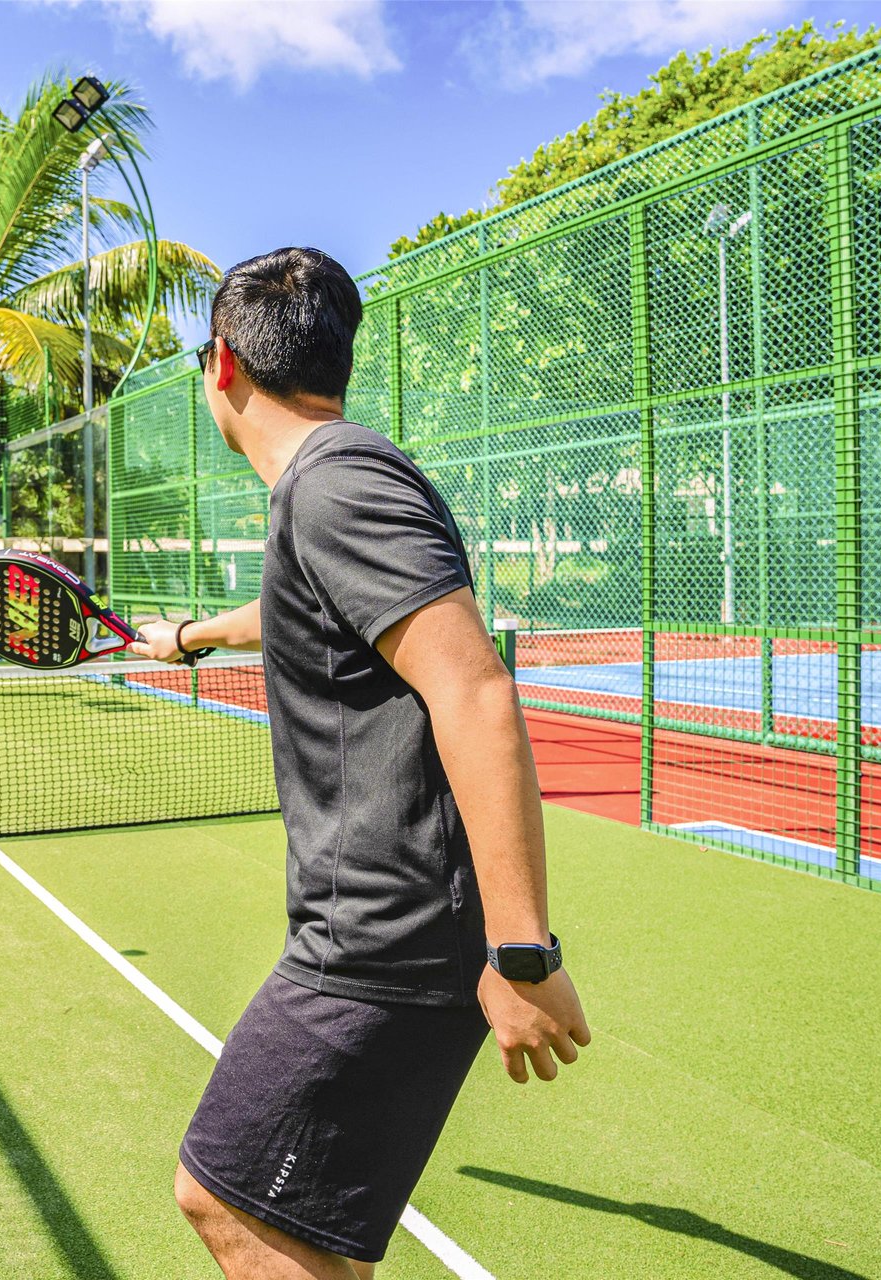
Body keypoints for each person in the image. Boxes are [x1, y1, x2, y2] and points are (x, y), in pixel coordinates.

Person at [131, 248, 591, 1280]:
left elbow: (476, 688)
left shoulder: (335, 484)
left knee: (225, 1197)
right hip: (388, 931)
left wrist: (524, 953)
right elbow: (314, 608)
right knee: (306, 1234)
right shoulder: (330, 485)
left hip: (384, 940)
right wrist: (193, 634)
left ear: (220, 367)